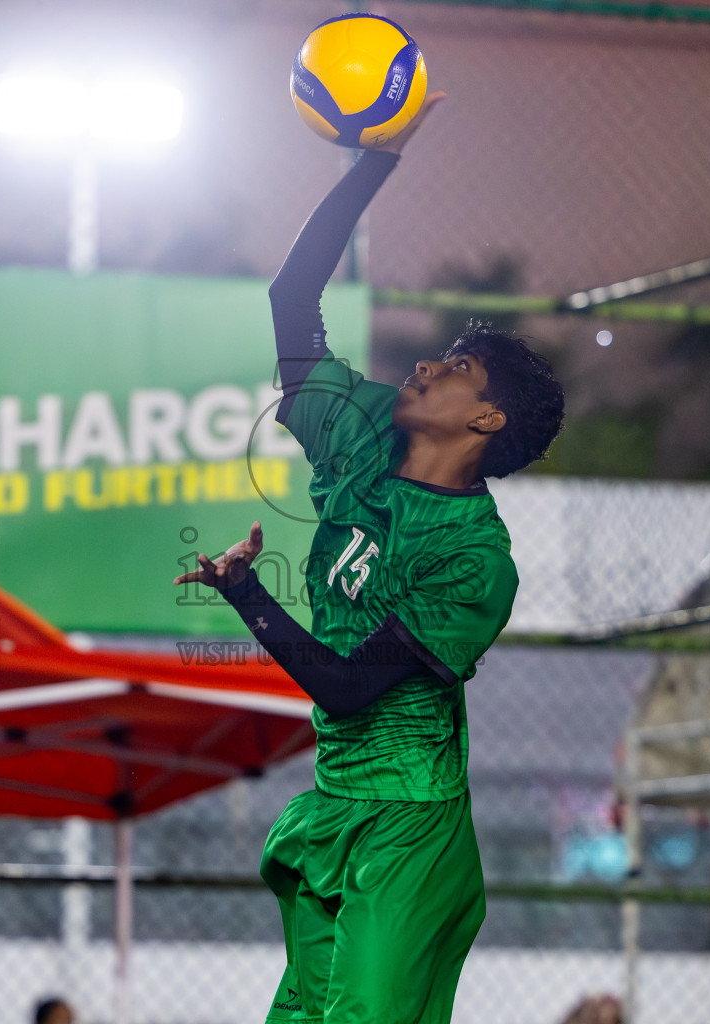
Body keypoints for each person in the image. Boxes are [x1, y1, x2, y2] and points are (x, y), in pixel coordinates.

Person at [174, 93, 565, 1023]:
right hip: (336, 802)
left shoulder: (474, 560)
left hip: (411, 831)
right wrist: (374, 160)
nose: (425, 366)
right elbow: (291, 299)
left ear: (486, 418)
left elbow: (349, 688)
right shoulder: (360, 432)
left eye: (455, 369)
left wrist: (246, 595)